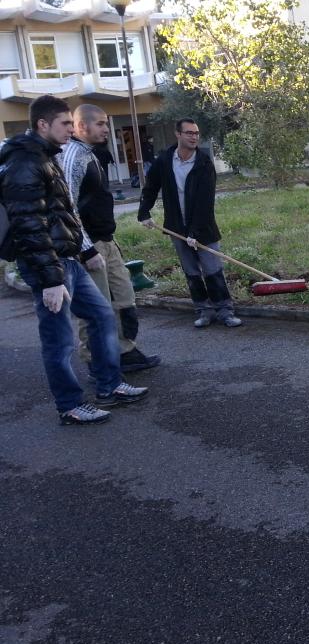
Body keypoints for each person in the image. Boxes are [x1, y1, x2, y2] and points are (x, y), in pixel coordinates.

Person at [0, 95, 148, 425]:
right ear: (42, 124)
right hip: (49, 267)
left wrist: (81, 250)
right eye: (65, 124)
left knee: (101, 316)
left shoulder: (46, 157)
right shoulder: (26, 163)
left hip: (69, 259)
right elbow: (29, 224)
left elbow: (62, 214)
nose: (71, 129)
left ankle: (109, 385)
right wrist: (51, 280)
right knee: (59, 340)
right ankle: (70, 404)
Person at [59, 104, 161, 373]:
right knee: (96, 308)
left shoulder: (92, 154)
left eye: (106, 123)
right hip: (88, 246)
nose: (107, 129)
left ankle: (124, 351)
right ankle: (97, 362)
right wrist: (86, 249)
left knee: (124, 297)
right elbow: (66, 208)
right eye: (101, 124)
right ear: (82, 126)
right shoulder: (73, 156)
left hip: (106, 239)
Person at [137, 118, 242, 328]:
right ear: (178, 134)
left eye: (196, 133)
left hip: (204, 228)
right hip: (176, 227)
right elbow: (150, 188)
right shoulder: (165, 161)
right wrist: (143, 212)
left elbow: (206, 202)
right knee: (192, 272)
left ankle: (224, 310)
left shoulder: (204, 163)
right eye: (189, 133)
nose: (194, 137)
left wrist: (195, 232)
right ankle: (204, 310)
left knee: (212, 270)